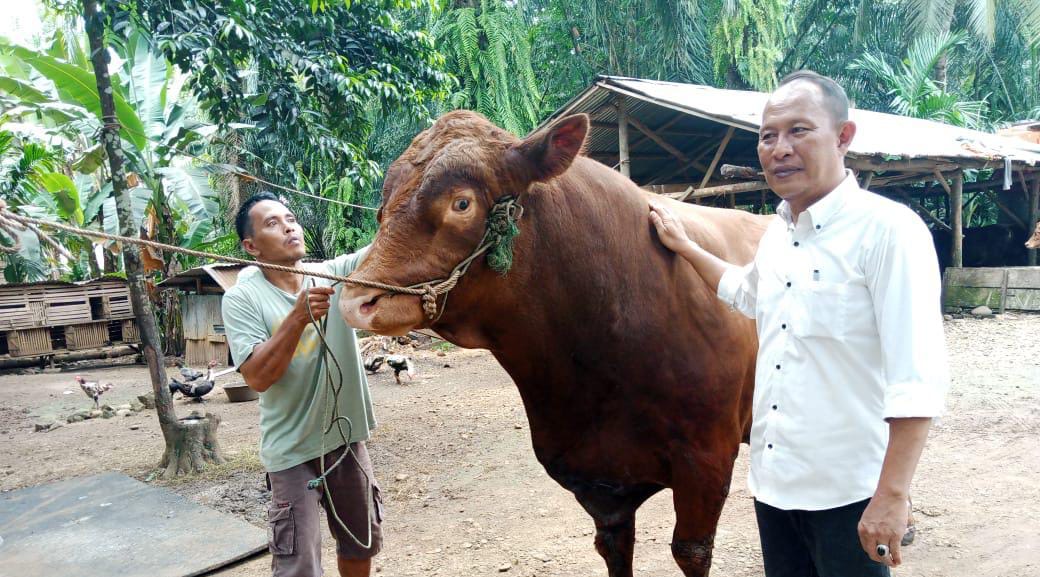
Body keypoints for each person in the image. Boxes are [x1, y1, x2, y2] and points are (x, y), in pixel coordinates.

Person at [648, 71, 949, 576]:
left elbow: (916, 379)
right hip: (775, 487)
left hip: (849, 494)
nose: (779, 148)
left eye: (799, 131)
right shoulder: (779, 233)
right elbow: (745, 292)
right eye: (768, 136)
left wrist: (892, 497)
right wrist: (685, 246)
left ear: (844, 137)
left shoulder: (888, 232)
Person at [222, 192, 382, 577]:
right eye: (272, 223)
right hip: (292, 452)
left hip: (346, 441)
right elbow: (258, 378)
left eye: (290, 218)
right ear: (251, 246)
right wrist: (296, 319)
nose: (289, 226)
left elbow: (387, 243)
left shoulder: (334, 274)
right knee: (299, 565)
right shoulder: (242, 298)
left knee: (360, 543)